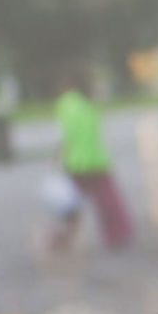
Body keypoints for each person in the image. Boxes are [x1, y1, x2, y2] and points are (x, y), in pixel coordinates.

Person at [50, 73, 134, 251]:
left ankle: (61, 240)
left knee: (71, 207)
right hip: (96, 161)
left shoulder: (66, 104)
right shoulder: (87, 103)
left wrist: (58, 157)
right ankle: (118, 236)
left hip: (76, 162)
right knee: (109, 203)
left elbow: (63, 135)